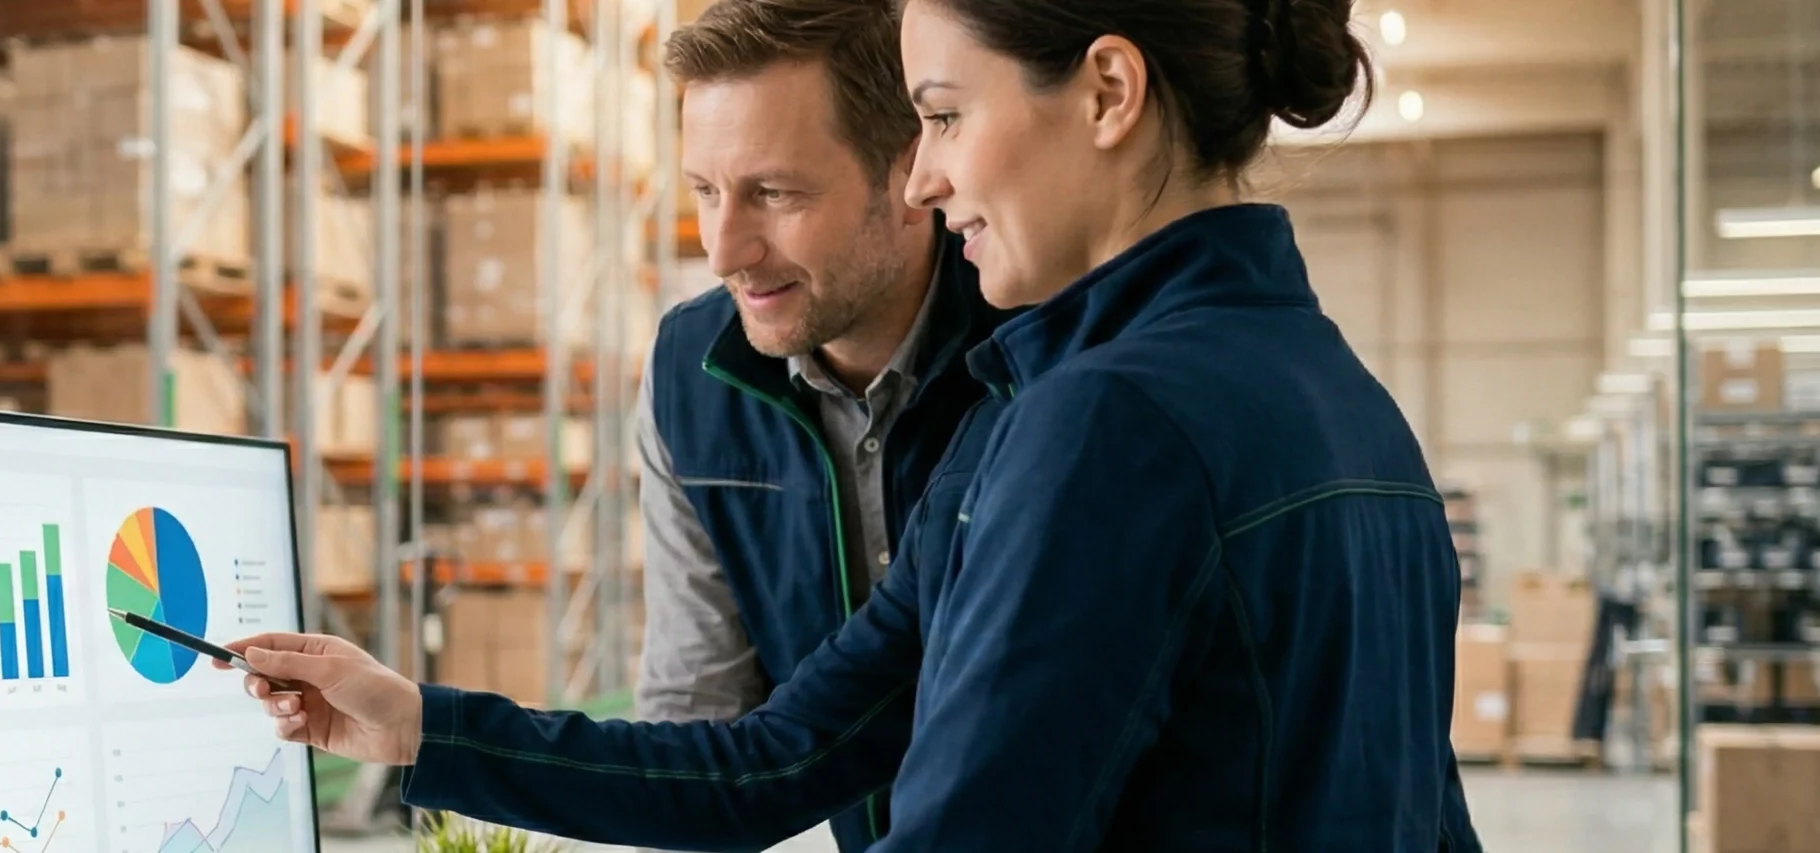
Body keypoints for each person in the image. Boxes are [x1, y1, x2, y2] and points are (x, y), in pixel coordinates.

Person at [228, 0, 1485, 849]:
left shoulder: (1104, 423)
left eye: (943, 115)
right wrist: (418, 725)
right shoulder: (1344, 401)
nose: (928, 176)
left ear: (1107, 92)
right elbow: (782, 752)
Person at [635, 1, 1014, 849]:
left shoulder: (1033, 354)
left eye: (773, 193)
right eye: (705, 190)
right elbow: (699, 716)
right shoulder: (688, 379)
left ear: (911, 173)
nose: (724, 248)